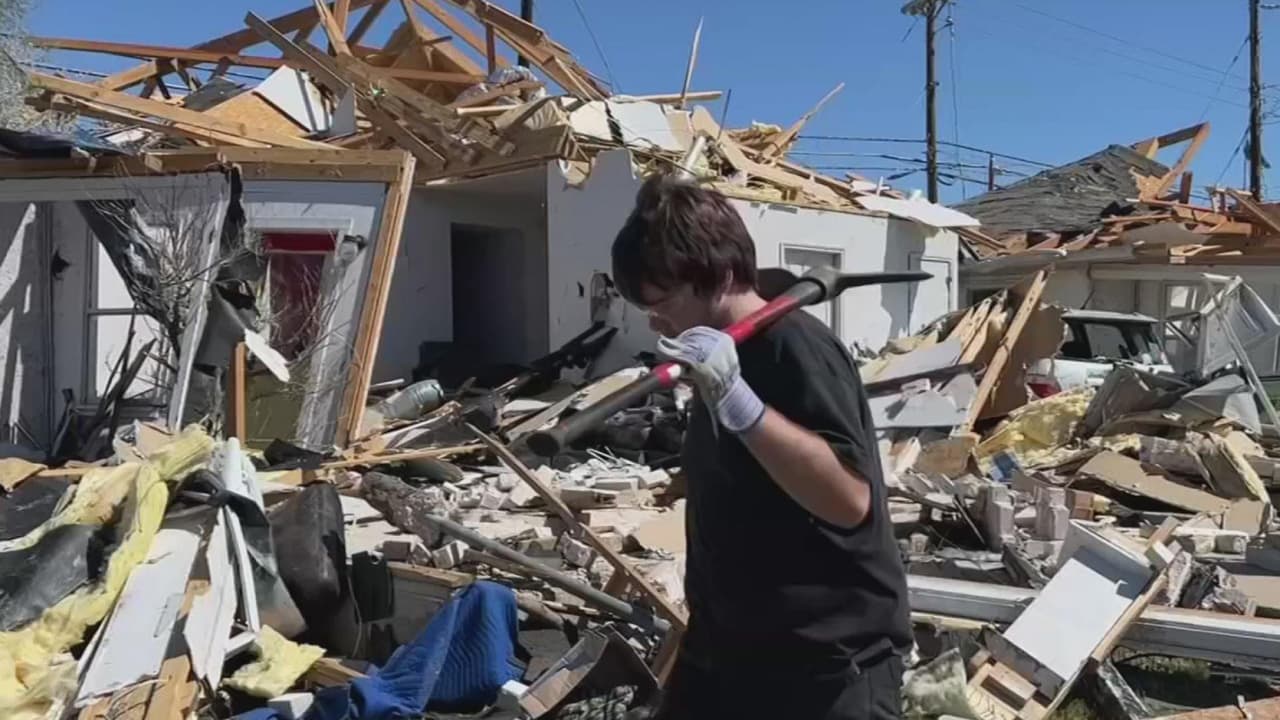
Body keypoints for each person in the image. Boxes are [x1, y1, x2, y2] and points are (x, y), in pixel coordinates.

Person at [611, 175, 911, 720]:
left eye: (663, 300)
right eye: (642, 305)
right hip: (728, 652)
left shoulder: (794, 348)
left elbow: (849, 500)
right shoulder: (717, 354)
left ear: (721, 276)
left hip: (825, 665)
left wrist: (739, 402)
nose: (654, 319)